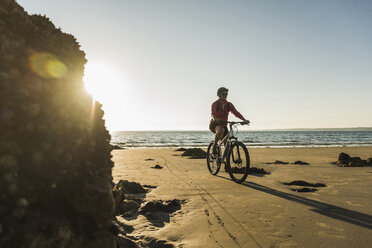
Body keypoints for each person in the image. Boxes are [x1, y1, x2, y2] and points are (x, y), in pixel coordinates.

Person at [209, 87, 250, 155]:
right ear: (219, 95)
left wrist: (244, 120)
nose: (225, 95)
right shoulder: (215, 104)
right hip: (215, 124)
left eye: (226, 94)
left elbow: (235, 112)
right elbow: (213, 114)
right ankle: (214, 146)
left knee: (226, 143)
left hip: (224, 125)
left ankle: (226, 162)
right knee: (221, 130)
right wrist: (215, 118)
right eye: (223, 94)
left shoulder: (229, 104)